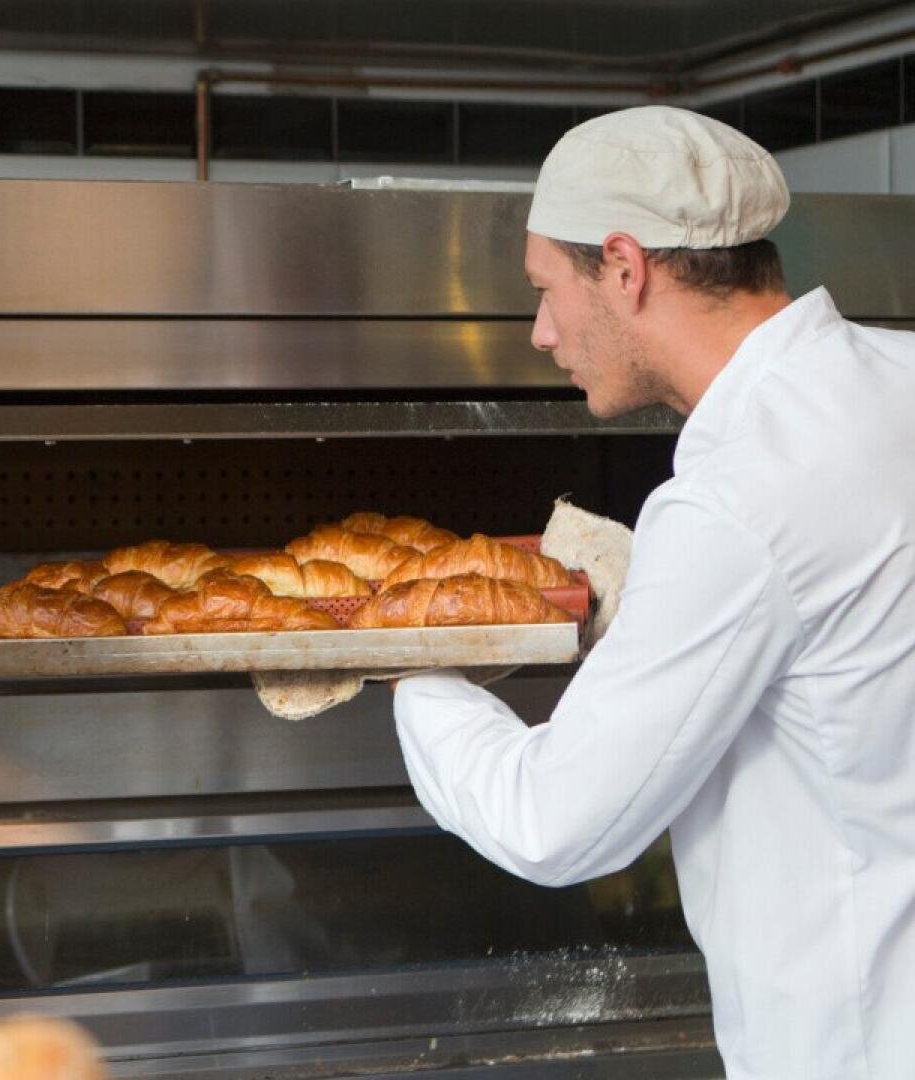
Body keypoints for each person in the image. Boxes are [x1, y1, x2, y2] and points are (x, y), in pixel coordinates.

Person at [392, 105, 915, 1078]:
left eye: (548, 289)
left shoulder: (732, 501)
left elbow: (554, 822)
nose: (542, 333)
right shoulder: (900, 377)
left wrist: (403, 658)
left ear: (626, 267)